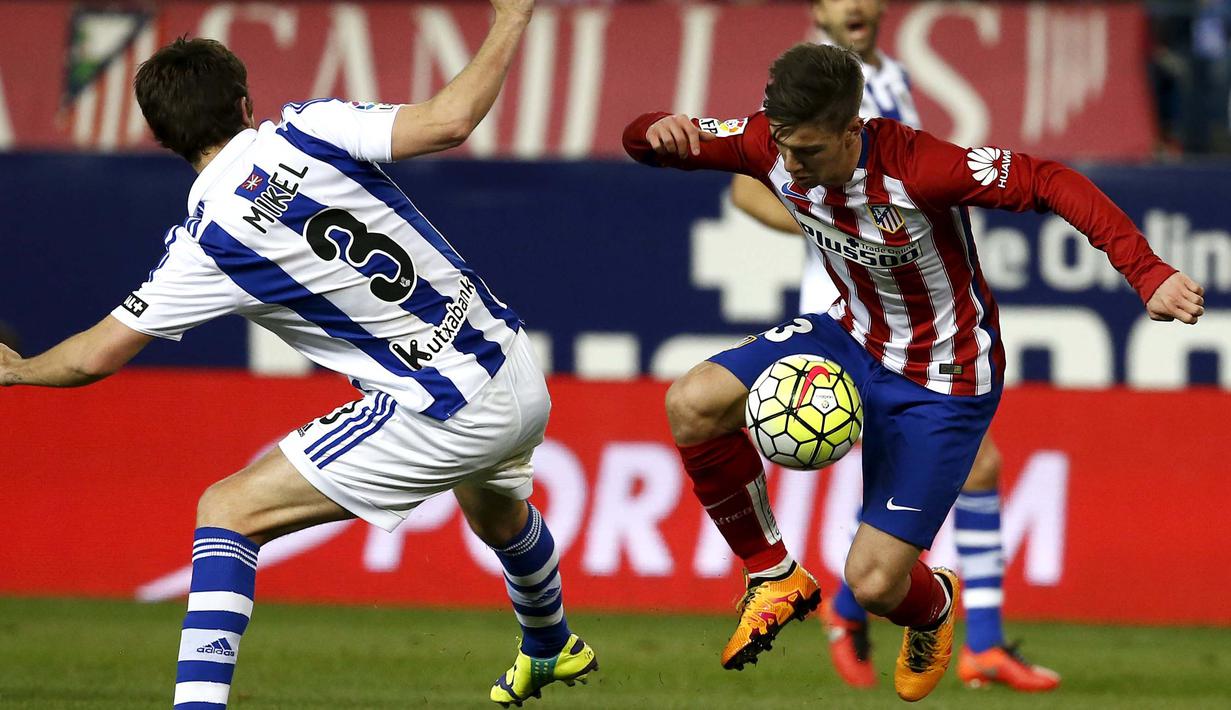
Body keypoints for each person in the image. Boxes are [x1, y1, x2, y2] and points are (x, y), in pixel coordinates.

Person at [0, 2, 599, 707]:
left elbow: (93, 357)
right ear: (245, 104)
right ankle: (551, 643)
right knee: (495, 513)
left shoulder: (209, 242)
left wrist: (17, 370)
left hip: (442, 408)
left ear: (161, 137)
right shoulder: (311, 126)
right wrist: (511, 18)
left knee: (228, 509)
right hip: (514, 366)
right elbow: (449, 121)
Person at [622, 43, 1203, 702]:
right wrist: (654, 130)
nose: (790, 165)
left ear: (852, 130)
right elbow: (647, 141)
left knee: (873, 584)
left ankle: (933, 610)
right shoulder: (769, 143)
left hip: (943, 379)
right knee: (692, 402)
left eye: (808, 151)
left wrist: (1146, 272)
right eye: (783, 146)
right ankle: (774, 575)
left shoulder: (921, 167)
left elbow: (1049, 179)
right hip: (849, 336)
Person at [728, 0, 1059, 693]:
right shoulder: (805, 89)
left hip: (905, 315)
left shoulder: (892, 79)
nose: (853, 5)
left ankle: (937, 629)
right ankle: (905, 618)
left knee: (969, 468)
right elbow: (747, 193)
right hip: (845, 312)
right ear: (817, 8)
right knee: (956, 468)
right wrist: (836, 221)